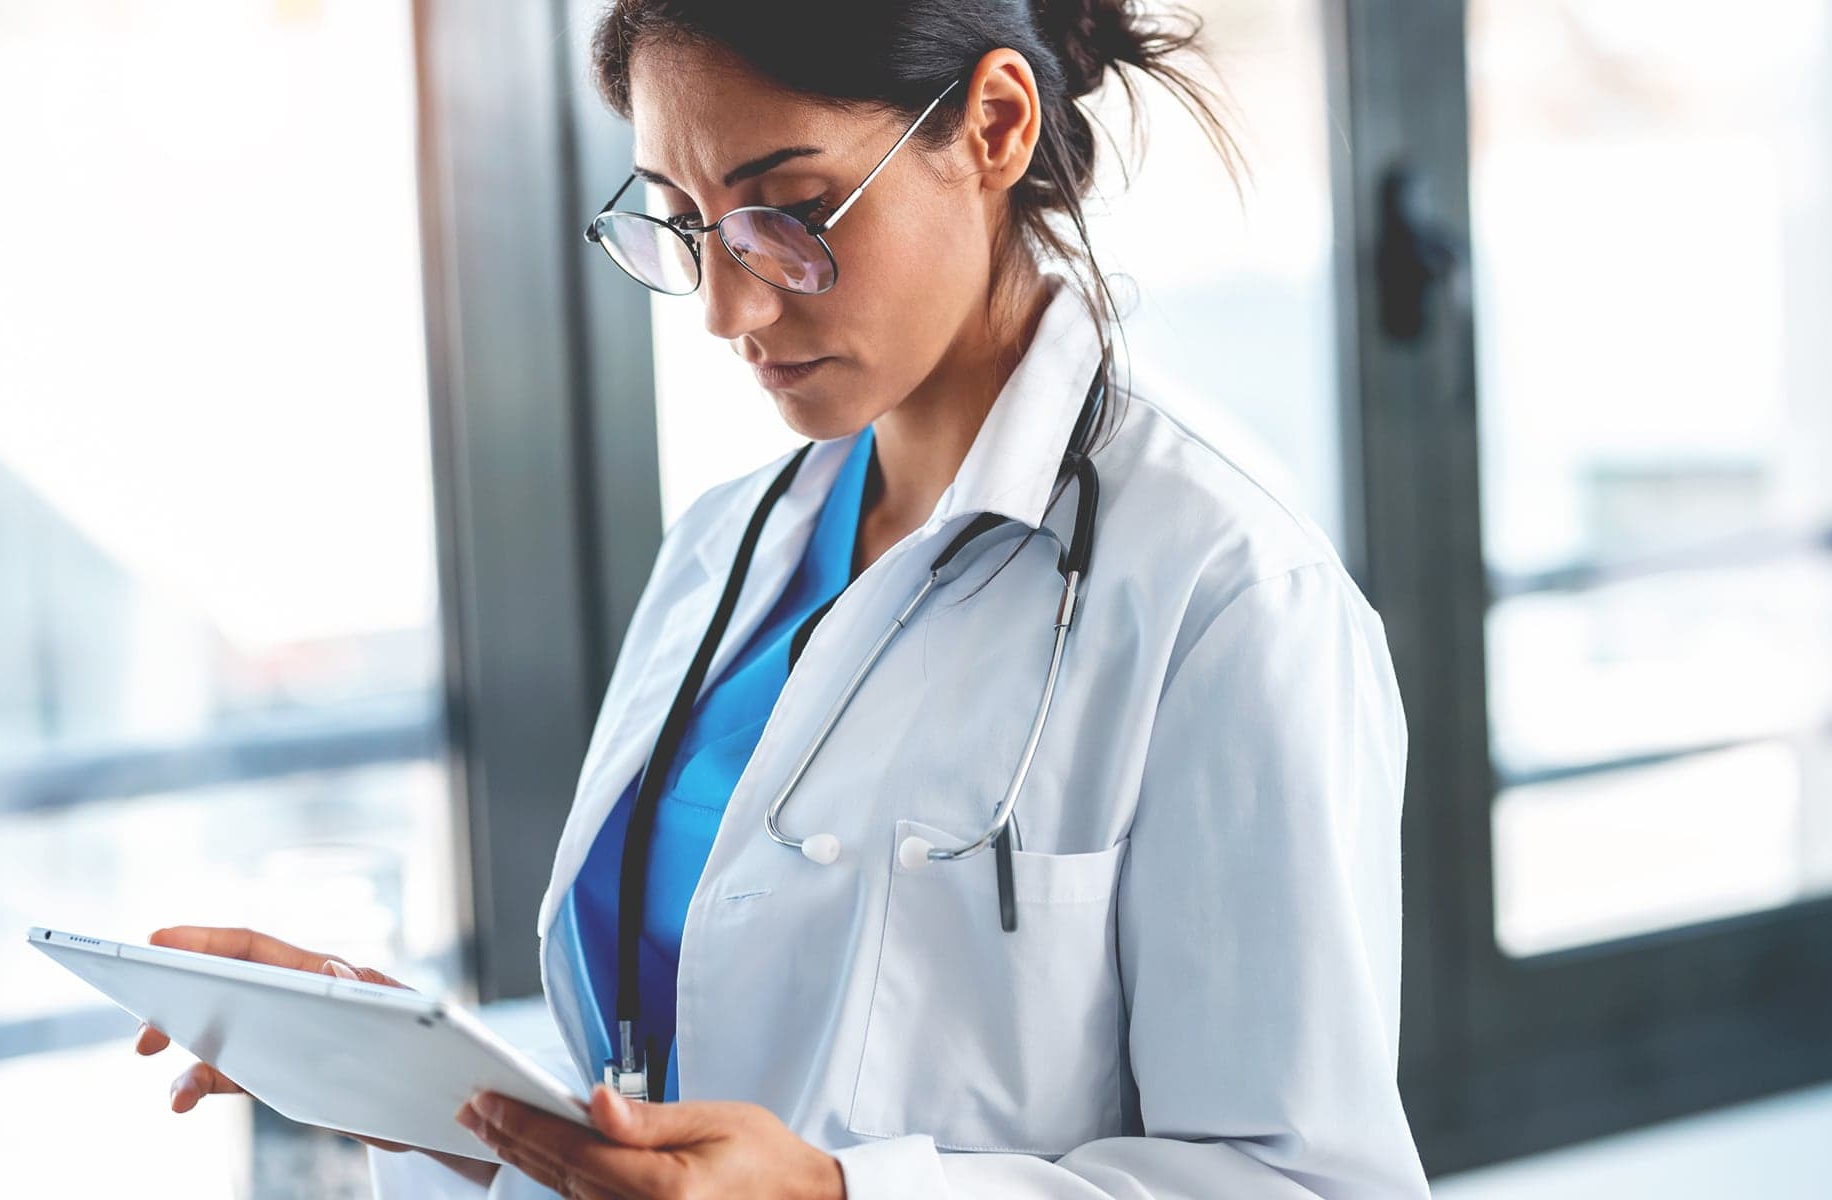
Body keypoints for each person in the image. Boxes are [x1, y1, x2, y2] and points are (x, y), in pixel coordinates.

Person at [140, 2, 1432, 1197]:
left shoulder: (1228, 602)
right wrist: (412, 1072)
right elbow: (681, 1062)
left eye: (793, 210)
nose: (725, 305)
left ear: (993, 126)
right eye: (683, 221)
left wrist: (838, 1196)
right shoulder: (729, 549)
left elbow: (1307, 1183)